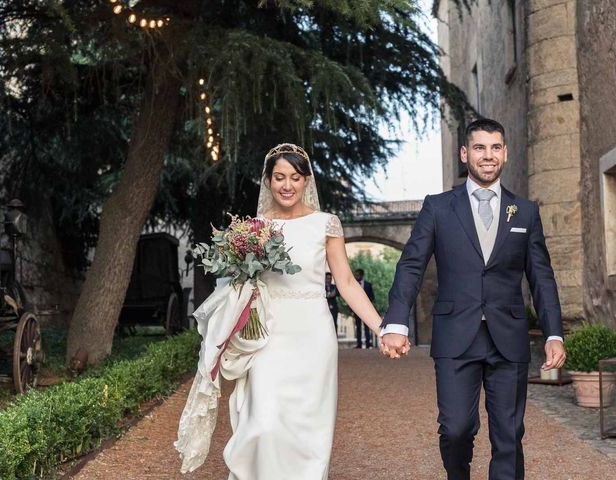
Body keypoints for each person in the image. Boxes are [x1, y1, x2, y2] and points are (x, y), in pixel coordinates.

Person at [178, 143, 384, 479]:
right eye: (279, 178)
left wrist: (381, 328)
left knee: (309, 431)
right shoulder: (254, 229)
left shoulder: (326, 224)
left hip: (314, 335)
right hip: (268, 336)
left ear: (306, 181)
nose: (287, 185)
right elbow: (243, 284)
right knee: (265, 421)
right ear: (269, 181)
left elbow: (346, 281)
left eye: (294, 177)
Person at [381, 118, 566, 480]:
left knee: (509, 435)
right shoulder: (438, 207)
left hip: (508, 338)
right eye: (479, 148)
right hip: (455, 336)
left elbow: (541, 276)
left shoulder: (525, 212)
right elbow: (411, 265)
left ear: (505, 153)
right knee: (455, 429)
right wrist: (397, 322)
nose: (488, 155)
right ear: (465, 154)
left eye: (495, 147)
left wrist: (554, 333)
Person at [353, 268, 375, 348]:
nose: (356, 276)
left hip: (366, 309)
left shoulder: (368, 285)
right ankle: (359, 344)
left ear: (362, 275)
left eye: (358, 275)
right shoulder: (353, 285)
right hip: (356, 309)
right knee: (358, 327)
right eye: (355, 275)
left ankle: (368, 344)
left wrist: (366, 303)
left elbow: (372, 297)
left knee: (367, 327)